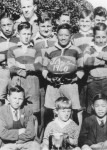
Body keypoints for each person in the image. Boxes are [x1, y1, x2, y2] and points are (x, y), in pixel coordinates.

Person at [42, 23, 84, 130]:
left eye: (66, 35)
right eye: (61, 35)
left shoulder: (77, 50)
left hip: (70, 84)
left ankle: (76, 137)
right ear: (56, 35)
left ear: (71, 36)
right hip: (53, 85)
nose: (63, 37)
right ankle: (52, 135)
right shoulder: (49, 50)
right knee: (52, 110)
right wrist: (49, 79)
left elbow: (81, 70)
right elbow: (44, 69)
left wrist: (73, 79)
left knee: (75, 110)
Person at [7, 22, 42, 131]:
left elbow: (38, 66)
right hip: (17, 80)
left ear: (31, 34)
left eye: (28, 34)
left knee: (34, 110)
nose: (26, 37)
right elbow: (12, 68)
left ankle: (34, 136)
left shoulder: (36, 49)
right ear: (18, 34)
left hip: (33, 81)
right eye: (23, 34)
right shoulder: (12, 49)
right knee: (17, 108)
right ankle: (17, 135)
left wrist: (22, 66)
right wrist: (26, 70)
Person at [83, 23, 107, 115]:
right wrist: (103, 61)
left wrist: (98, 54)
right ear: (93, 36)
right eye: (98, 37)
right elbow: (87, 61)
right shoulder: (89, 48)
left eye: (103, 37)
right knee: (92, 107)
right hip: (93, 81)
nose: (101, 40)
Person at [33, 12, 57, 141]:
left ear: (52, 26)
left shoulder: (56, 38)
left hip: (54, 78)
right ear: (38, 26)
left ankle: (54, 137)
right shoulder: (34, 40)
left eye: (48, 26)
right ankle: (40, 138)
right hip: (40, 78)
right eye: (43, 26)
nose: (46, 29)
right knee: (41, 110)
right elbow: (33, 61)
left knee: (53, 108)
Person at [0, 85, 40, 150]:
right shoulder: (2, 111)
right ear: (8, 97)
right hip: (7, 144)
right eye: (14, 98)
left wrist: (18, 142)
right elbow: (3, 133)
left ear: (23, 99)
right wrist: (19, 131)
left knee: (35, 147)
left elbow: (30, 133)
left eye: (20, 99)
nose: (17, 101)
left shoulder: (27, 110)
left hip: (26, 142)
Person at [72, 9, 93, 113]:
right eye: (82, 21)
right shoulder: (74, 37)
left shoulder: (94, 36)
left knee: (91, 104)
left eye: (87, 21)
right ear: (78, 22)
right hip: (79, 73)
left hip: (92, 74)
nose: (84, 23)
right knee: (79, 104)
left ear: (92, 23)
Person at [0, 10, 19, 106]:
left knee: (15, 98)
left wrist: (4, 55)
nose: (7, 28)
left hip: (15, 72)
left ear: (14, 24)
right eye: (4, 25)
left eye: (9, 24)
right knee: (1, 97)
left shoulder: (19, 38)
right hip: (1, 71)